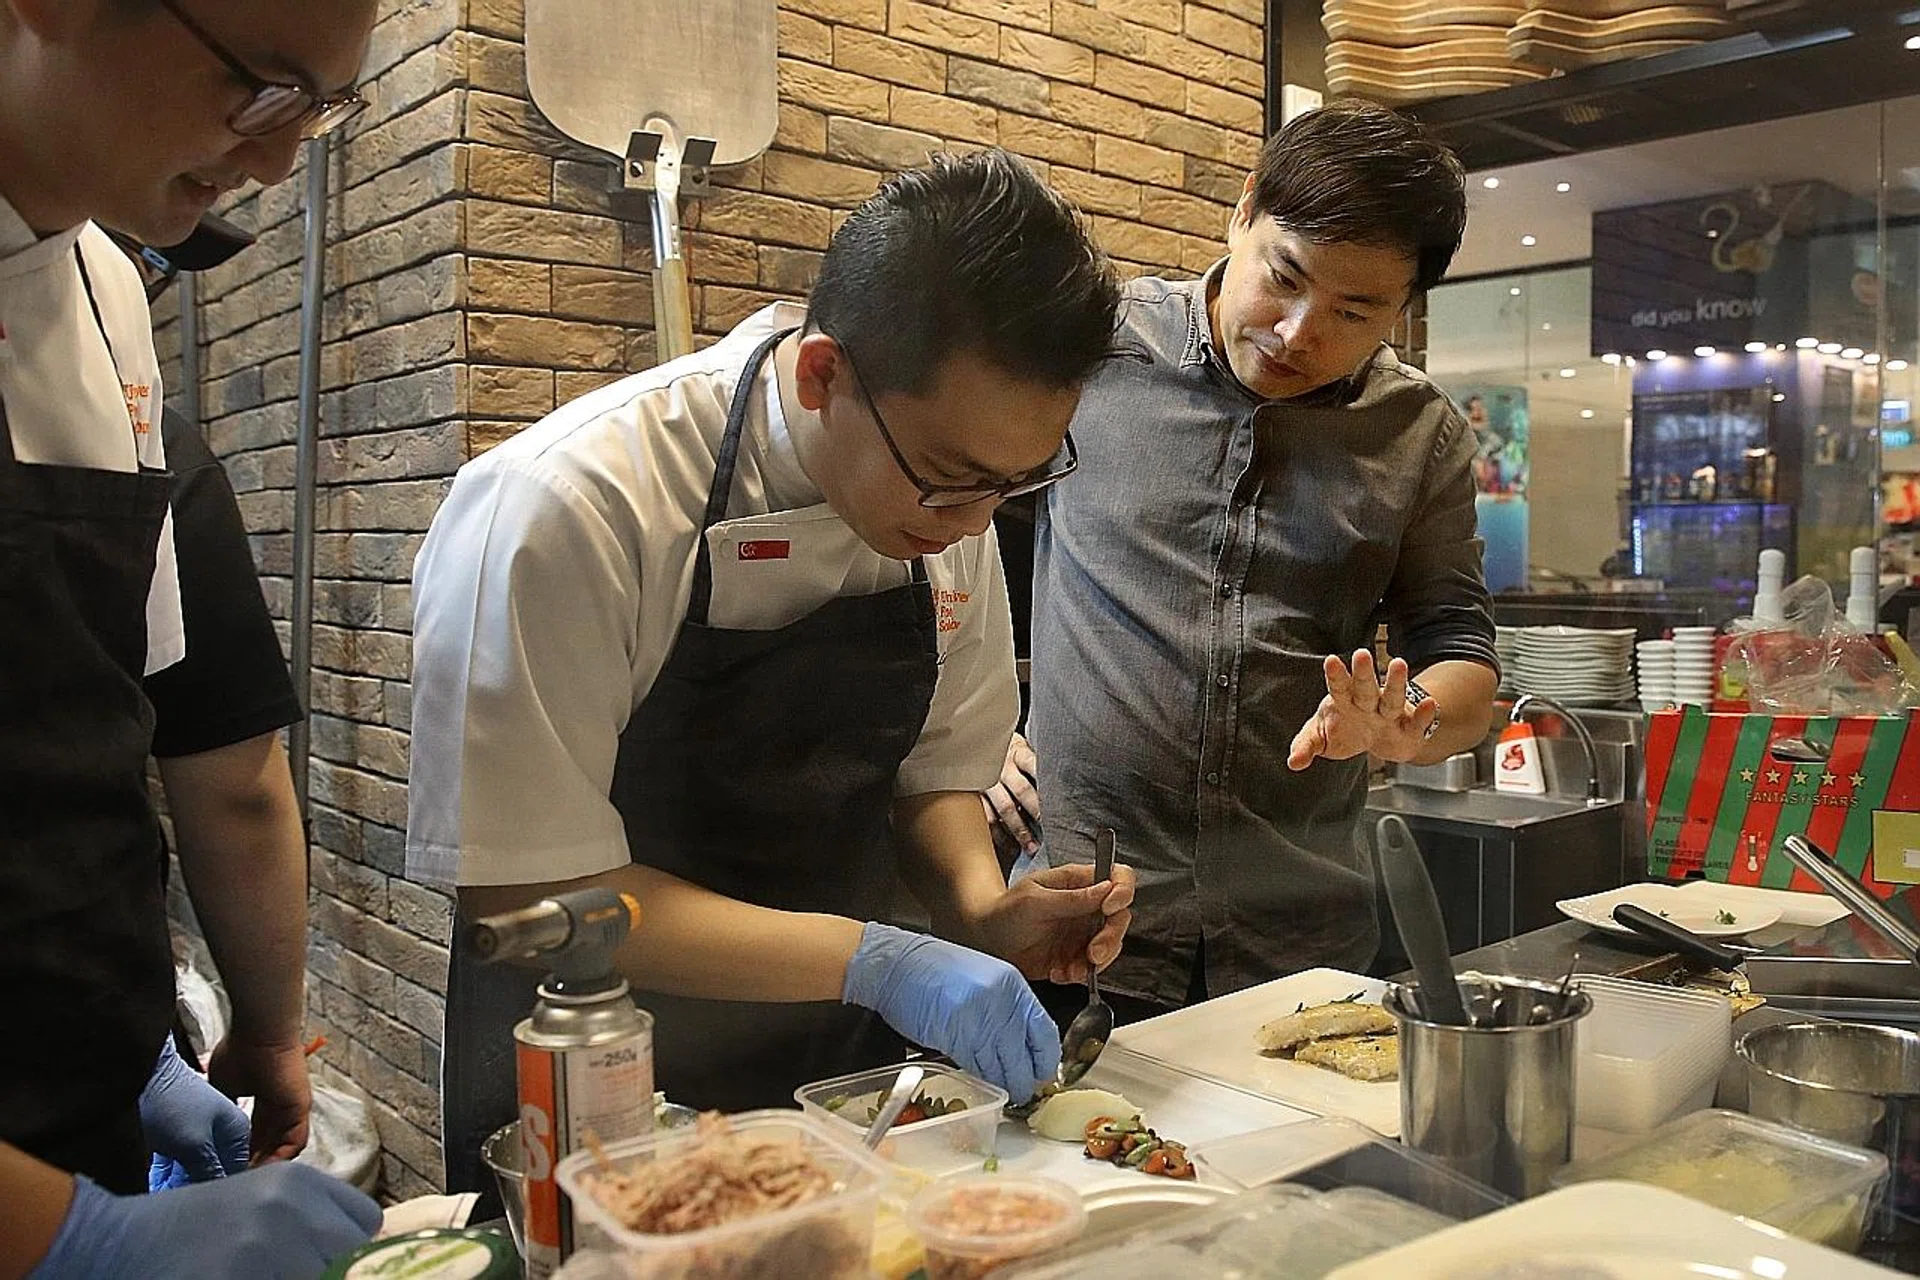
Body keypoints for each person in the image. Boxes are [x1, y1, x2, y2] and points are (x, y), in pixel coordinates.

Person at [408, 149, 1134, 1196]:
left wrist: (980, 910)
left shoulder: (945, 504)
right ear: (821, 374)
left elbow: (936, 773)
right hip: (592, 1076)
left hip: (839, 1083)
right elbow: (531, 889)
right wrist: (882, 959)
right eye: (952, 480)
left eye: (1015, 484)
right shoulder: (567, 506)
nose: (978, 522)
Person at [0, 2, 382, 1276]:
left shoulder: (109, 290)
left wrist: (141, 1049)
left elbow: (161, 742)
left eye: (320, 111)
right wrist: (73, 1238)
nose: (276, 164)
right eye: (265, 89)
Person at [997, 102, 1500, 1023]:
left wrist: (1408, 724)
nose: (1300, 332)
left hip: (1298, 946)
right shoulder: (1092, 348)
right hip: (1074, 924)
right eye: (1285, 277)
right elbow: (947, 535)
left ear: (1403, 307)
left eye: (1354, 312)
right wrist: (973, 735)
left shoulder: (1419, 434)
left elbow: (1461, 651)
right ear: (1242, 212)